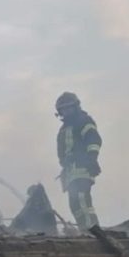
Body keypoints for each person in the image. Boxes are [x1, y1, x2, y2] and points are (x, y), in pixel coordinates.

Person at [54, 92, 102, 232]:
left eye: (68, 108)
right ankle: (84, 229)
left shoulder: (83, 121)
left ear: (76, 107)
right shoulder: (64, 129)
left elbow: (94, 140)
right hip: (70, 172)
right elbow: (62, 152)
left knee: (82, 200)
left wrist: (91, 158)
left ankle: (93, 231)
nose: (66, 112)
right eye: (63, 109)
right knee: (74, 204)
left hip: (83, 168)